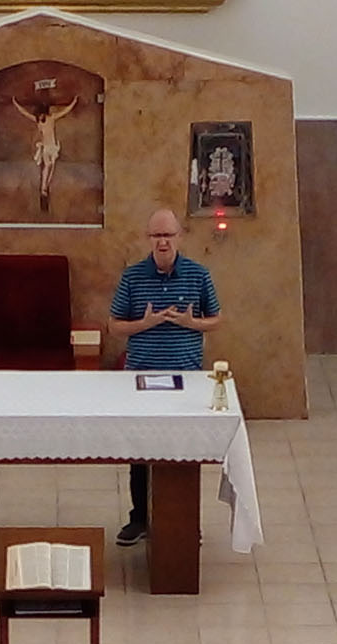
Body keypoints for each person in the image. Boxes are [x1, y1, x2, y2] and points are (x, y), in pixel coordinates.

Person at [107, 208, 223, 546]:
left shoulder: (198, 275)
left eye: (168, 235)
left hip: (185, 377)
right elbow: (115, 326)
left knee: (182, 449)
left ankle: (183, 521)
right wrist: (144, 324)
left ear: (179, 237)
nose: (162, 242)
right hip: (141, 377)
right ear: (149, 239)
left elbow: (216, 319)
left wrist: (190, 323)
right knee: (140, 449)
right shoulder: (132, 277)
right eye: (157, 236)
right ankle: (139, 518)